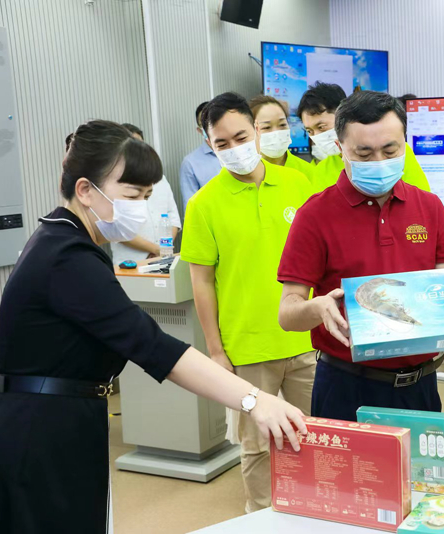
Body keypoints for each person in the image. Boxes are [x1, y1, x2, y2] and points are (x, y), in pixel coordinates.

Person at [0, 121, 307, 534]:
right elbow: (153, 346)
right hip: (39, 432)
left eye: (147, 197)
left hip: (57, 421)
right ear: (85, 190)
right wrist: (254, 400)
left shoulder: (64, 240)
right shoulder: (66, 257)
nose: (141, 209)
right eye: (132, 196)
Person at [277, 91, 444, 422]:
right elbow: (287, 314)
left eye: (390, 150)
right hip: (345, 385)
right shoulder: (314, 215)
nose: (379, 162)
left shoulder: (430, 207)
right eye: (364, 153)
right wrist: (317, 308)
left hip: (421, 384)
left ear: (405, 144)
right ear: (340, 148)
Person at [181, 92, 315, 514]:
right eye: (221, 143)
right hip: (247, 347)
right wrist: (216, 352)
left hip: (307, 339)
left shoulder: (299, 183)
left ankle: (315, 515)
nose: (234, 148)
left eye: (241, 137)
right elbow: (202, 282)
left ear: (256, 130)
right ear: (209, 144)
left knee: (315, 437)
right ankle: (260, 517)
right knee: (257, 448)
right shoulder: (204, 204)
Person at [298, 82, 431, 193]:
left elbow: (420, 201)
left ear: (342, 116)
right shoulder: (321, 171)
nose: (316, 136)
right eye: (310, 131)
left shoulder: (397, 154)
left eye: (321, 127)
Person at [111, 123, 181, 265]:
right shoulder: (114, 184)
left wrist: (163, 249)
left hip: (163, 257)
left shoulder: (161, 179)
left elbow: (173, 218)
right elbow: (115, 228)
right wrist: (154, 249)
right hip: (131, 261)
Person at [248, 95, 314, 182]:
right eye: (267, 127)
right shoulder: (247, 174)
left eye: (282, 125)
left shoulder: (308, 172)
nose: (276, 132)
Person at [179, 101, 223, 212]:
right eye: (205, 123)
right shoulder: (190, 163)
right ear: (199, 130)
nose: (211, 126)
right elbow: (190, 207)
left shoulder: (237, 151)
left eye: (214, 120)